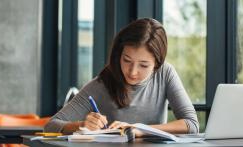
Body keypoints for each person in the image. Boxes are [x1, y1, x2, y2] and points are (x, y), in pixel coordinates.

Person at [44, 18, 199, 136]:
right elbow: (51, 126)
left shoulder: (165, 73)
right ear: (119, 54)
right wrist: (81, 125)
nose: (132, 72)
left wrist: (140, 129)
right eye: (126, 60)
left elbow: (191, 124)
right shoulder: (102, 84)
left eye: (143, 65)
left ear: (157, 64)